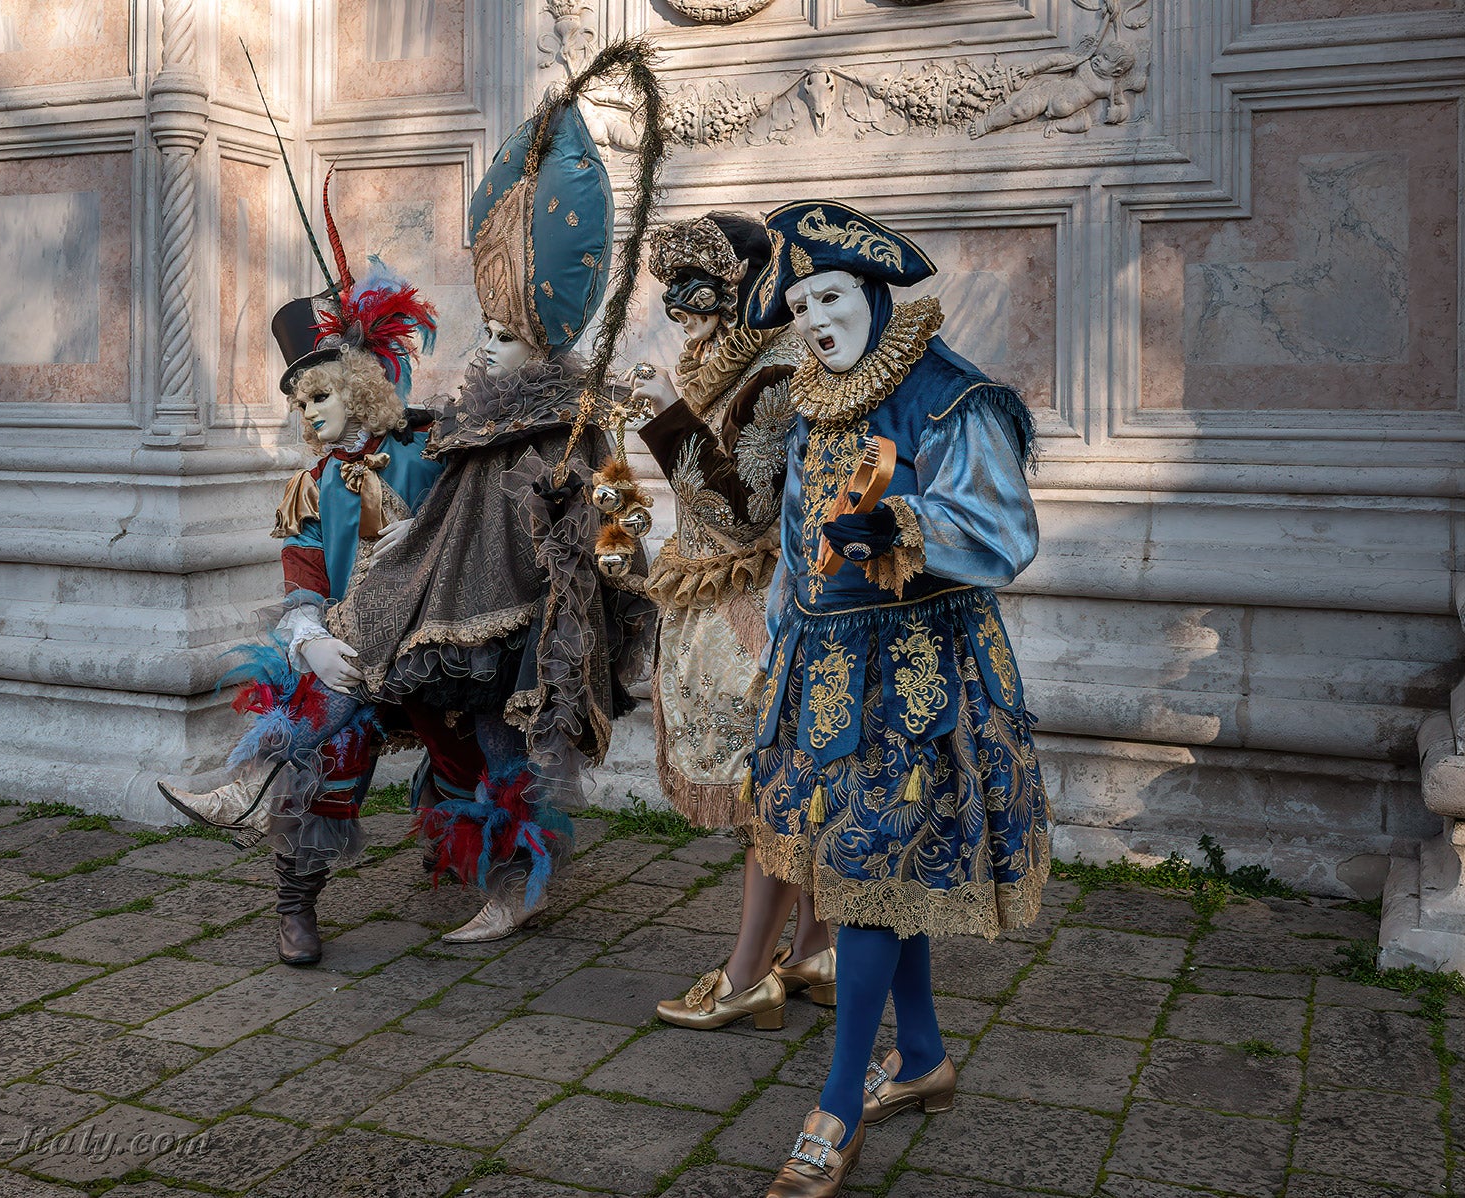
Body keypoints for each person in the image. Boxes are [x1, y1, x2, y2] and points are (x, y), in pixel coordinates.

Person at [742, 201, 1051, 1198]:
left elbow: (1003, 528)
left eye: (829, 296)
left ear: (873, 293)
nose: (817, 321)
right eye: (800, 306)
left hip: (921, 677)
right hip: (825, 672)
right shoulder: (811, 397)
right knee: (876, 867)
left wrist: (904, 524)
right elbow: (798, 538)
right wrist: (780, 645)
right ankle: (918, 1053)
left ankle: (836, 1104)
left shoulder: (950, 394)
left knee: (867, 864)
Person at [329, 42, 665, 944]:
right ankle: (464, 858)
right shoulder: (480, 410)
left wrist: (599, 598)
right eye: (481, 330)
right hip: (456, 606)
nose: (482, 348)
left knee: (515, 746)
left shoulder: (567, 419)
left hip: (527, 621)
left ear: (541, 340)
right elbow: (442, 453)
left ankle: (521, 886)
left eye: (500, 334)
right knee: (452, 728)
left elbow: (610, 513)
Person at [157, 188, 443, 968]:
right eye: (298, 402)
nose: (307, 413)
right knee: (333, 735)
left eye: (320, 395)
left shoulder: (428, 450)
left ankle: (240, 790)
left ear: (363, 385)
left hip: (441, 635)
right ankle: (295, 902)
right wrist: (308, 633)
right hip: (357, 647)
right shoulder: (311, 485)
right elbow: (304, 578)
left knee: (472, 737)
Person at [625, 213, 834, 1031]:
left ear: (742, 292)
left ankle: (749, 975)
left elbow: (745, 511)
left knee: (773, 788)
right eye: (679, 314)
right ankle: (815, 947)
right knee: (787, 784)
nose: (688, 327)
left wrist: (671, 417)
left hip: (765, 605)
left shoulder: (779, 369)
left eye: (701, 308)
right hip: (727, 600)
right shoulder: (730, 358)